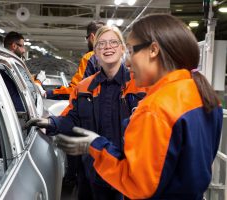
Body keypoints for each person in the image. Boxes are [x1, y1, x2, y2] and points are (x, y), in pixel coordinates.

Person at [55, 14, 223, 199]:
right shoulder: (204, 95)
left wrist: (96, 146)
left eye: (132, 51)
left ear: (153, 50)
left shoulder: (155, 108)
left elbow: (137, 185)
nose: (128, 61)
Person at [28, 25, 146, 200]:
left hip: (130, 175)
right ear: (95, 53)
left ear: (122, 49)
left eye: (113, 42)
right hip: (94, 172)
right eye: (101, 44)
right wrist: (52, 123)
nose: (108, 47)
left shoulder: (140, 84)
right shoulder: (84, 88)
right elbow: (73, 119)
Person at [35, 20, 105, 100]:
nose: (87, 42)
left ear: (92, 37)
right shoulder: (118, 58)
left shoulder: (91, 57)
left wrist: (46, 93)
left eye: (87, 38)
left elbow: (75, 89)